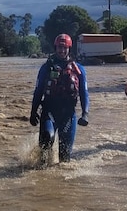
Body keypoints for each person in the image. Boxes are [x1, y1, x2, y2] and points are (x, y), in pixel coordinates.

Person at [29, 34, 90, 164]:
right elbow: (38, 90)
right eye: (59, 48)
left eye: (65, 48)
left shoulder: (79, 70)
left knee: (65, 157)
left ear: (69, 48)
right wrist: (33, 111)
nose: (62, 51)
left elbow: (84, 93)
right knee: (47, 139)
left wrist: (85, 114)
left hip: (68, 115)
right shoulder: (46, 68)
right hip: (49, 111)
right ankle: (41, 176)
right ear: (55, 48)